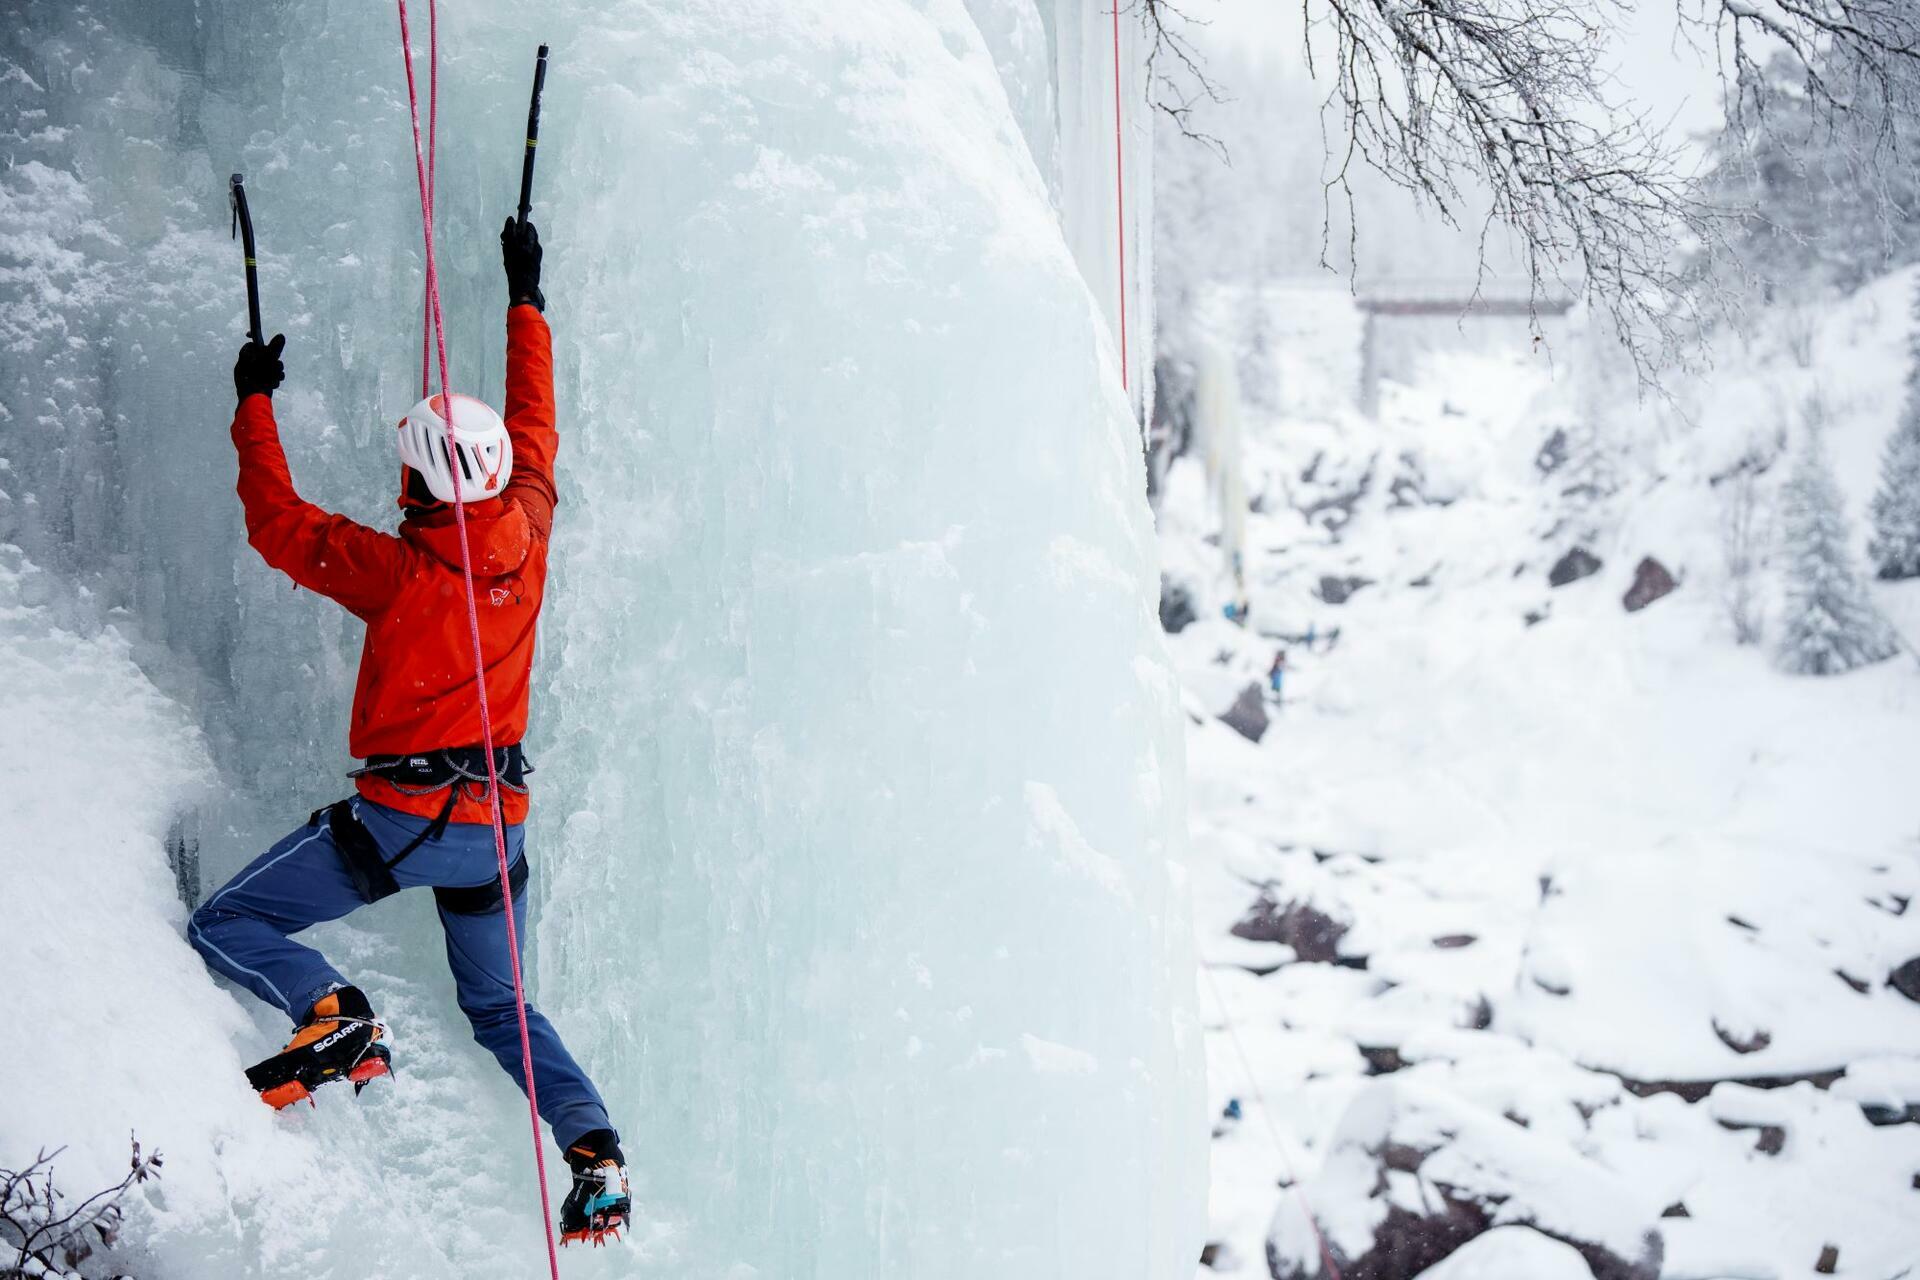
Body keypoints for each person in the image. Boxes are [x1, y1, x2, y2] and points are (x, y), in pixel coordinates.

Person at [188, 217, 630, 1247]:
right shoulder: (532, 528)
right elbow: (538, 423)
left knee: (225, 923)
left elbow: (277, 521)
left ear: (422, 481)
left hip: (398, 820)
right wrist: (528, 297)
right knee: (503, 1008)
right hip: (495, 832)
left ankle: (332, 1011)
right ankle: (595, 1149)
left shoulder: (397, 572)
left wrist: (253, 401)